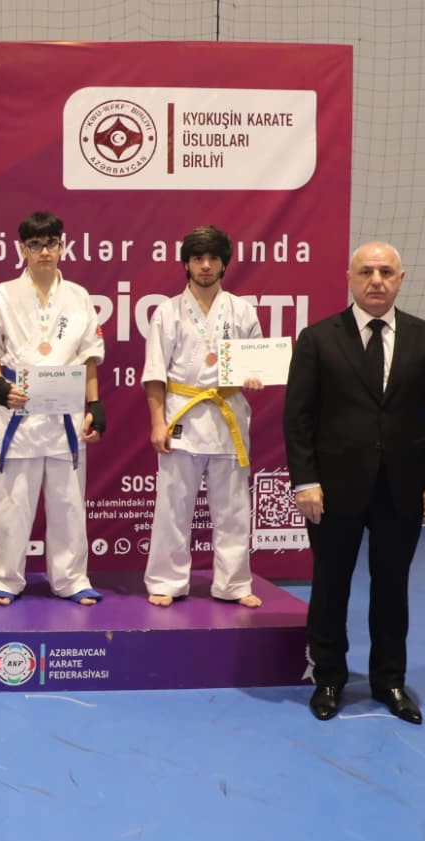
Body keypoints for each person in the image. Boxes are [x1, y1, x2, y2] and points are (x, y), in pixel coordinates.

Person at [285, 241, 425, 725]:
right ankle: (328, 678)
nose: (376, 280)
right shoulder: (317, 339)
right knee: (330, 584)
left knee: (392, 586)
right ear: (349, 278)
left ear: (402, 279)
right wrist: (306, 481)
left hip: (403, 489)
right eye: (366, 271)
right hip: (333, 488)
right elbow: (297, 419)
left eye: (385, 271)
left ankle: (390, 681)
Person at [0, 211, 107, 605]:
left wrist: (95, 404)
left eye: (51, 243)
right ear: (22, 249)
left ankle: (71, 579)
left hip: (65, 411)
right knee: (11, 502)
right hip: (18, 409)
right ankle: (3, 578)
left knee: (68, 502)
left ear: (63, 246)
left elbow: (89, 357)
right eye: (35, 244)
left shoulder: (78, 297)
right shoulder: (3, 295)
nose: (44, 251)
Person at [141, 225, 264, 608]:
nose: (206, 265)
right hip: (183, 415)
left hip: (228, 416)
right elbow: (155, 374)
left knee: (233, 508)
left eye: (213, 258)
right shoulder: (167, 312)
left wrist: (255, 376)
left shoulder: (243, 311)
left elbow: (257, 362)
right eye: (198, 258)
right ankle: (167, 581)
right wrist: (157, 423)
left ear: (224, 263)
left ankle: (234, 584)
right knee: (173, 505)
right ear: (187, 264)